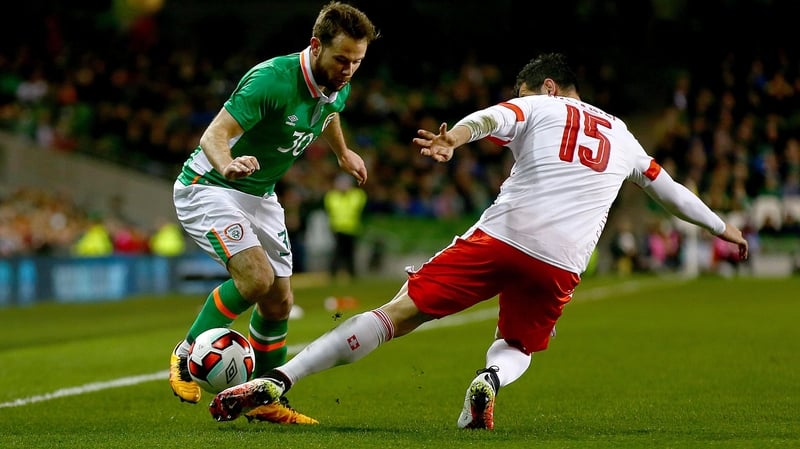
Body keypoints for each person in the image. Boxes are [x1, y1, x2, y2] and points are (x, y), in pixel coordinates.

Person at [207, 53, 748, 429]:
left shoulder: (539, 105)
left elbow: (491, 119)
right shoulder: (624, 135)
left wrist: (453, 139)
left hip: (503, 236)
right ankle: (489, 379)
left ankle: (281, 378)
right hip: (562, 261)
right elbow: (670, 191)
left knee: (399, 313)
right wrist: (720, 227)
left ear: (548, 87)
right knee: (519, 346)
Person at [168, 1, 379, 425]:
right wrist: (228, 163)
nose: (349, 70)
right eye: (342, 59)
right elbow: (214, 135)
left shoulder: (337, 83)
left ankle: (263, 397)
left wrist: (342, 152)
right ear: (316, 46)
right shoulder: (271, 80)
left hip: (259, 194)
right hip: (210, 185)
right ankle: (186, 354)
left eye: (357, 61)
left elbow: (329, 112)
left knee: (280, 302)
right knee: (256, 279)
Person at [324, 173, 367, 280]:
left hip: (352, 228)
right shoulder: (332, 196)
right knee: (337, 252)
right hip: (337, 229)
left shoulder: (357, 195)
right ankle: (333, 273)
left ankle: (352, 273)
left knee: (350, 253)